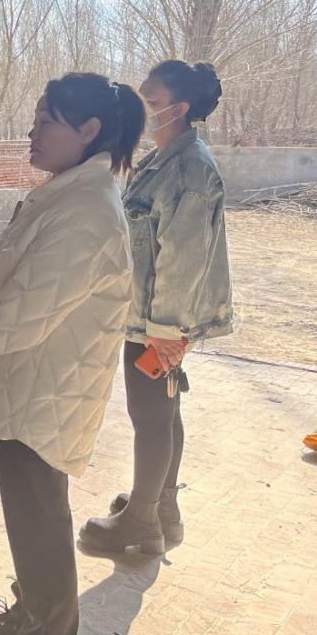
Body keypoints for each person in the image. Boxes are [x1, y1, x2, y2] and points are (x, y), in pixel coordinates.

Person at [0, 74, 144, 635]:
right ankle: (27, 622)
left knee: (42, 529)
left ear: (88, 130)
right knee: (31, 522)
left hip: (47, 394)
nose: (31, 133)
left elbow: (25, 311)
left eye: (45, 121)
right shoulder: (64, 195)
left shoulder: (86, 211)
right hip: (29, 385)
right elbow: (6, 283)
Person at [80, 60, 233, 554]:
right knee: (162, 412)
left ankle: (142, 523)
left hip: (157, 320)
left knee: (150, 416)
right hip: (147, 316)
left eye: (152, 101)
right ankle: (161, 507)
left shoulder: (189, 168)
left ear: (179, 108)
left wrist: (166, 330)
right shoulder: (162, 159)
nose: (143, 109)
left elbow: (184, 256)